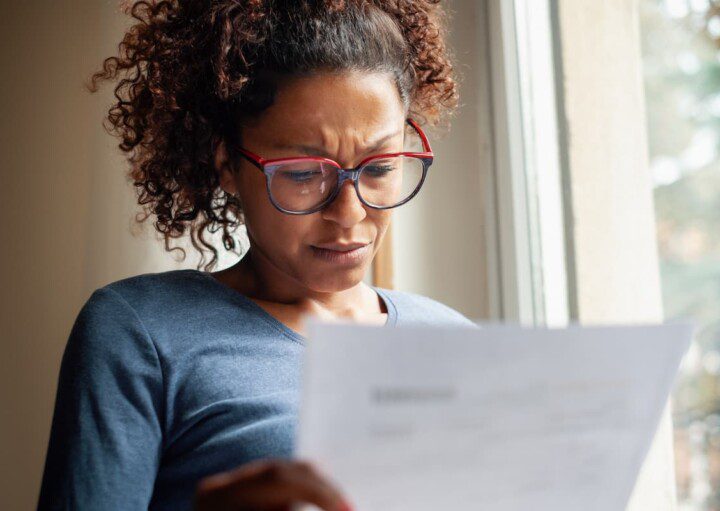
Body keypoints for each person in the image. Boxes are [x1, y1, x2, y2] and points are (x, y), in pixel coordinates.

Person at [37, 1, 474, 509]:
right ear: (228, 165)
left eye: (379, 167)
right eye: (305, 173)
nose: (350, 213)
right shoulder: (142, 332)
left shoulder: (456, 342)